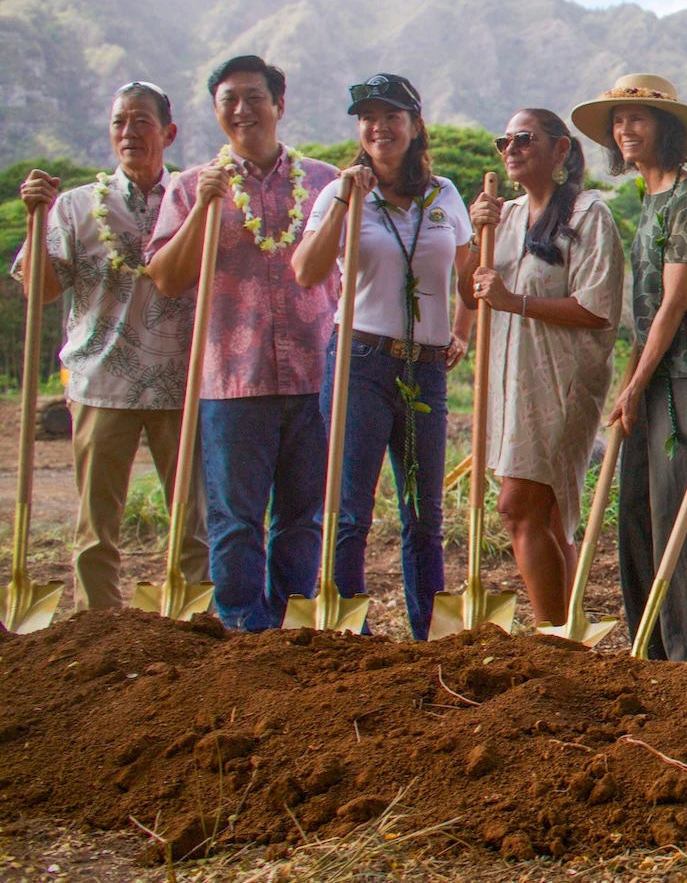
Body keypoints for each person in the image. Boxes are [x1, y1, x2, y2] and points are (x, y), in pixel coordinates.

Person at [148, 55, 339, 632]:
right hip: (232, 378)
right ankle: (242, 632)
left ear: (279, 104)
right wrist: (205, 210)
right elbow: (166, 278)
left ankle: (292, 622)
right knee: (234, 517)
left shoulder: (326, 183)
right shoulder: (190, 187)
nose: (241, 110)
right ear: (215, 112)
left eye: (254, 97)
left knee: (303, 516)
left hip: (314, 371)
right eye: (228, 100)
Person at [12, 82, 207, 611]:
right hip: (101, 383)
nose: (130, 132)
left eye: (142, 121)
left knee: (194, 523)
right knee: (97, 529)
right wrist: (36, 222)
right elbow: (43, 292)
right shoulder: (75, 207)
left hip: (181, 385)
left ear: (168, 132)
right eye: (120, 122)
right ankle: (99, 629)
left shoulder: (194, 198)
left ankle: (197, 632)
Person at [293, 74, 470, 640]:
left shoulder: (445, 194)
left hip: (424, 370)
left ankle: (430, 634)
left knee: (424, 513)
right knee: (351, 513)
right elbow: (307, 272)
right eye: (367, 117)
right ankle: (350, 634)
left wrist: (461, 331)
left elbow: (472, 278)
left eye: (391, 115)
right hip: (359, 364)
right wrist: (347, 200)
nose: (379, 126)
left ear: (415, 125)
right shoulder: (340, 193)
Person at [574, 73, 687, 663]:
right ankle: (652, 652)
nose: (625, 129)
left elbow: (674, 304)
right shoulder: (651, 196)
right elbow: (642, 311)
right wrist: (630, 381)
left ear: (668, 128)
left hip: (686, 377)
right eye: (618, 121)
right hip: (651, 373)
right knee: (637, 513)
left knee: (677, 520)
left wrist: (637, 383)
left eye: (637, 118)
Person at [463, 109, 624, 628]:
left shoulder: (587, 215)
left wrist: (516, 302)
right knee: (549, 513)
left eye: (524, 138)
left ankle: (552, 633)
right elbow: (471, 286)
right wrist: (473, 233)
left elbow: (598, 308)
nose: (511, 147)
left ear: (561, 149)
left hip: (563, 383)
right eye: (503, 140)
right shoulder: (504, 217)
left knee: (517, 507)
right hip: (512, 381)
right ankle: (570, 631)